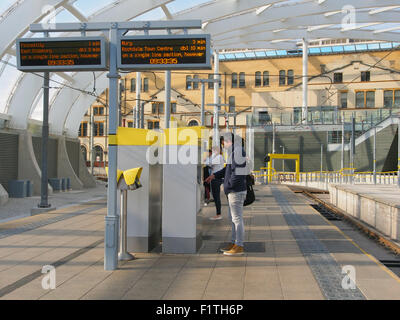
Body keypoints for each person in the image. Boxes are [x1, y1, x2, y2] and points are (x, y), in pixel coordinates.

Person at [206, 133, 248, 256]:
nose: (222, 145)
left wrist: (228, 185)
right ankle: (234, 242)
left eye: (223, 142)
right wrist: (215, 175)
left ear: (228, 141)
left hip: (236, 190)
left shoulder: (238, 151)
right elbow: (227, 169)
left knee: (237, 219)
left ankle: (239, 245)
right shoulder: (234, 151)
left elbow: (238, 173)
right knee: (233, 219)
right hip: (233, 190)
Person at [208, 146, 225, 221]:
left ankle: (218, 214)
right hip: (219, 177)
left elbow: (209, 164)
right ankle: (218, 213)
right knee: (216, 196)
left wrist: (210, 156)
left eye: (213, 150)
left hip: (215, 178)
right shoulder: (221, 157)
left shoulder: (217, 157)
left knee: (216, 197)